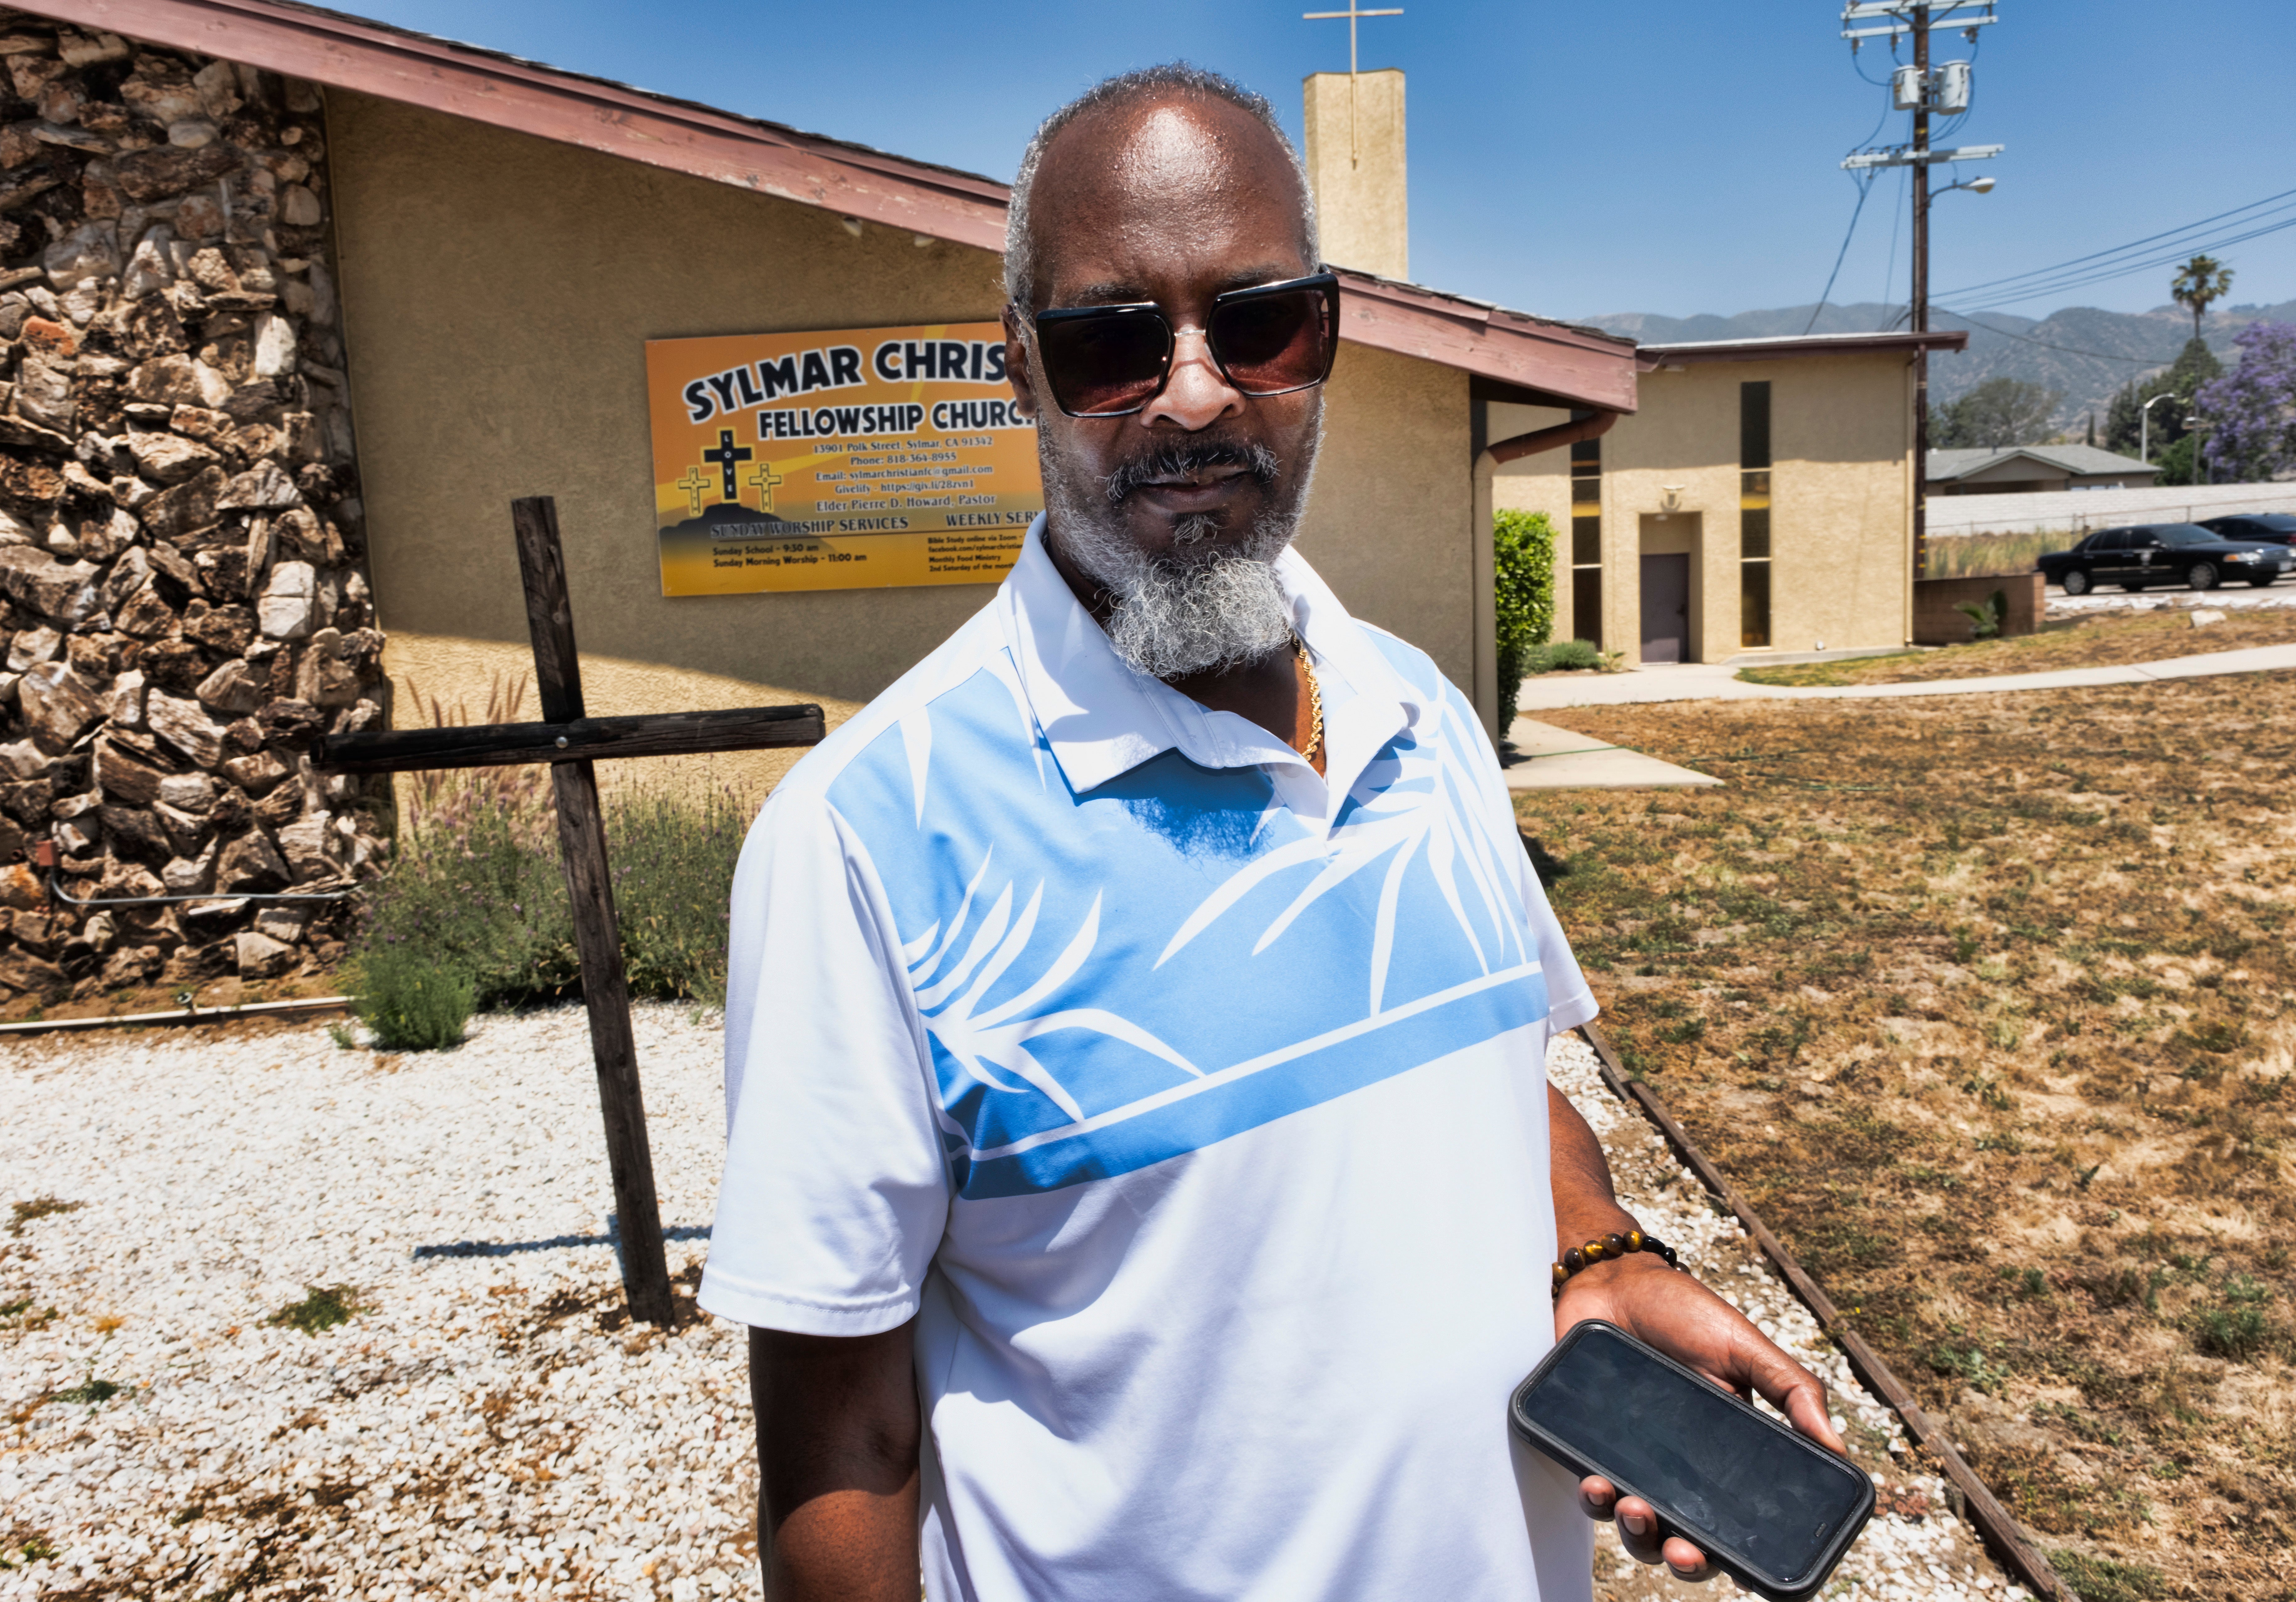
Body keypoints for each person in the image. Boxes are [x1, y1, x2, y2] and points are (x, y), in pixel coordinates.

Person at [696, 63, 1842, 1602]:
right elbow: (846, 1442)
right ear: (1022, 369)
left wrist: (1596, 1252)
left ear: (1328, 341)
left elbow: (1504, 1067)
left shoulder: (1424, 714)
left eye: (1257, 324)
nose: (1193, 393)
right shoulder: (868, 839)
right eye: (1113, 342)